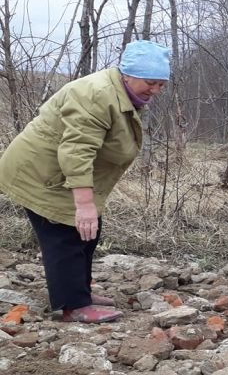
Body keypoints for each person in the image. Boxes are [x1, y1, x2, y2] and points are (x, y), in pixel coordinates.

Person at [0, 40, 171, 323]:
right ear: (128, 74)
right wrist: (83, 202)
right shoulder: (97, 94)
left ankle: (80, 291)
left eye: (161, 84)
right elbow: (77, 149)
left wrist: (89, 205)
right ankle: (71, 306)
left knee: (88, 231)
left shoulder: (122, 93)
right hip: (42, 174)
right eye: (150, 82)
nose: (155, 90)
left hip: (60, 170)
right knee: (65, 232)